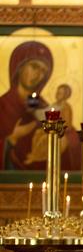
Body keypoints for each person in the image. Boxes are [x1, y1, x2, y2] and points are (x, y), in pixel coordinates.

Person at [0, 41, 53, 169]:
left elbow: (68, 137)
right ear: (19, 67)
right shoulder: (2, 105)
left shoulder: (44, 107)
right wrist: (12, 139)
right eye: (34, 67)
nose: (39, 75)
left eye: (43, 71)